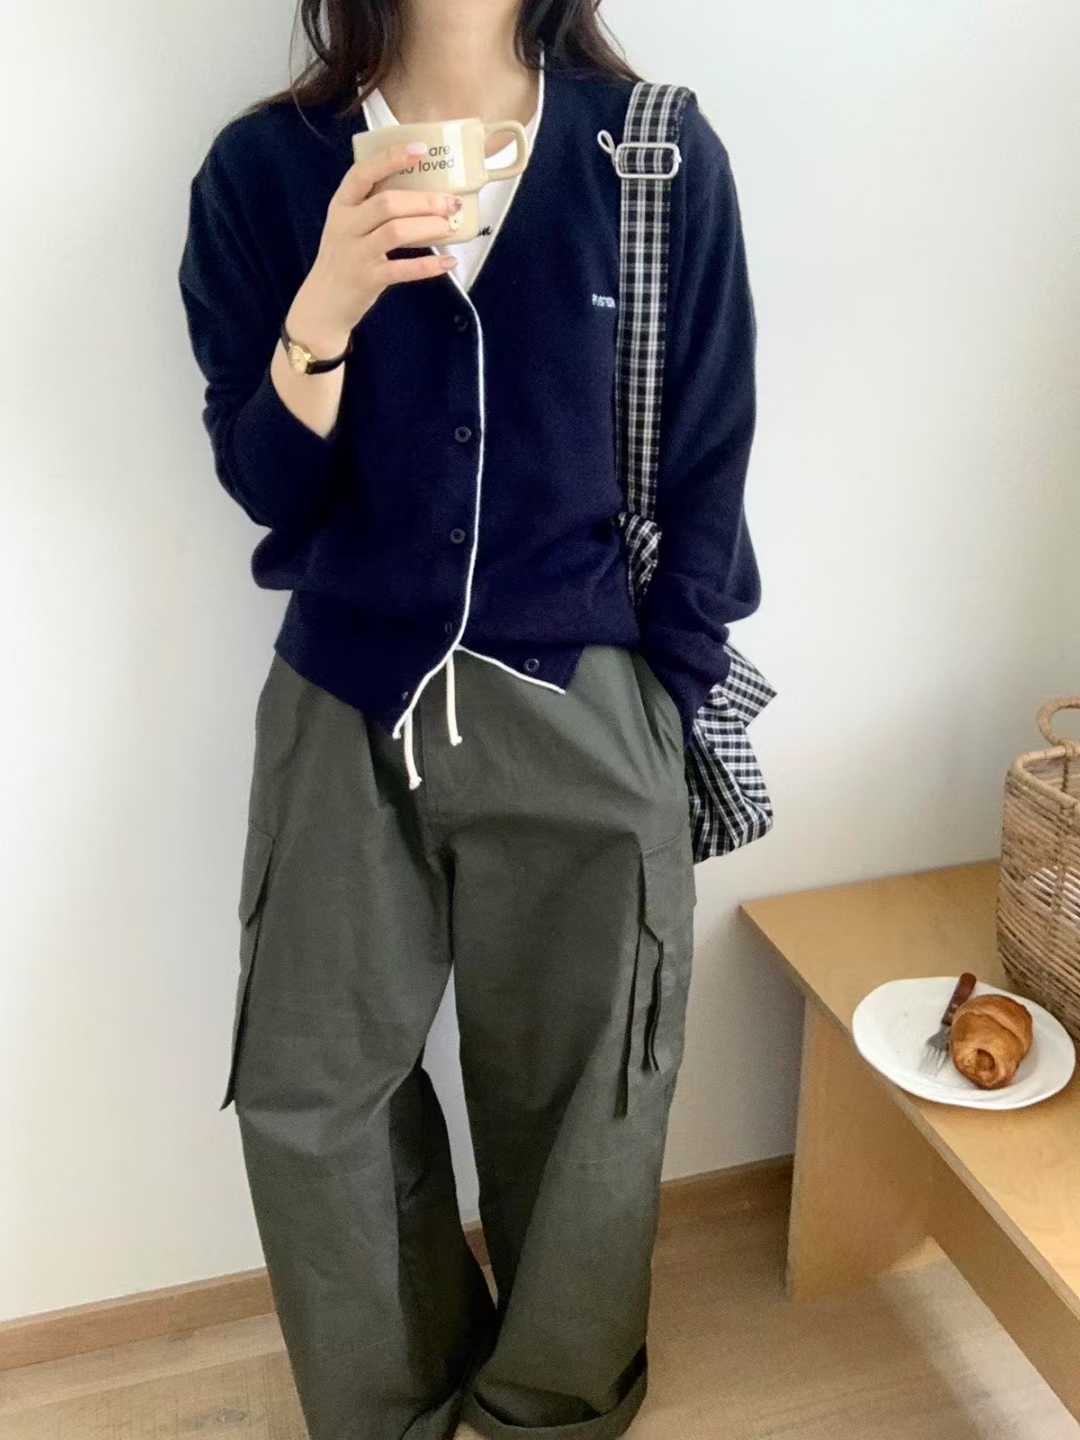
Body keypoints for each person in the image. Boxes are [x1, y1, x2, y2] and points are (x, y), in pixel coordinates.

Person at [177, 2, 761, 1437]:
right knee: (313, 1090)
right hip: (344, 699)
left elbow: (709, 455)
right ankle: (393, 1406)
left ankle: (551, 1409)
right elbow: (265, 485)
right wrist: (325, 309)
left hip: (586, 694)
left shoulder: (652, 157)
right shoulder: (264, 171)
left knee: (587, 1092)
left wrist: (665, 694)